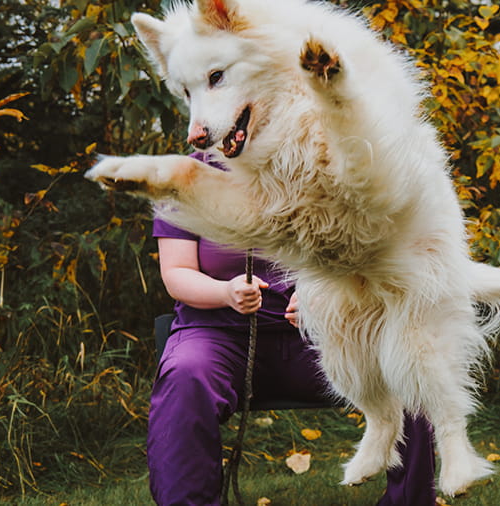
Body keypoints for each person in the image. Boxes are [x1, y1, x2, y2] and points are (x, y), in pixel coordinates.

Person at [146, 153, 437, 505]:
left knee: (403, 364)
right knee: (185, 375)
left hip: (320, 340)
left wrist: (325, 297)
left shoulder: (321, 166)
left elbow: (366, 255)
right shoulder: (181, 179)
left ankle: (408, 500)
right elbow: (176, 273)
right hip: (219, 335)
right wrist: (224, 292)